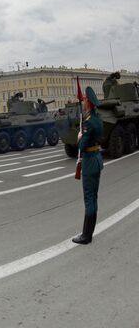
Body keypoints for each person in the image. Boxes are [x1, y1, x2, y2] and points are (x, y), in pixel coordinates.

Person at [72, 86, 104, 245]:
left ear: (89, 103)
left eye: (85, 100)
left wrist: (80, 136)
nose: (83, 102)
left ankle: (86, 235)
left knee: (89, 198)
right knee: (94, 197)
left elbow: (81, 145)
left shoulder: (89, 122)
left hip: (90, 162)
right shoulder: (98, 119)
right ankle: (89, 231)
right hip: (97, 159)